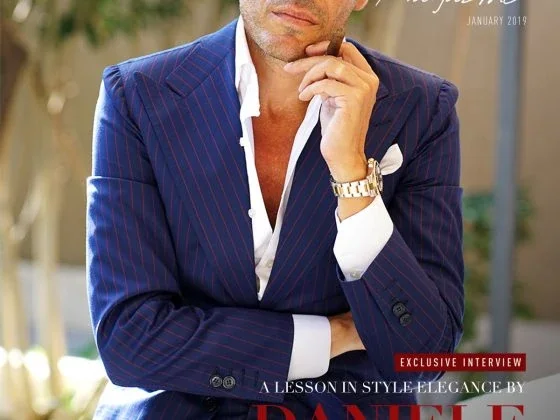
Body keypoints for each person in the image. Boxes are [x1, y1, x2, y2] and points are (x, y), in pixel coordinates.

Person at [86, 0, 464, 418]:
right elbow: (129, 341)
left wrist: (352, 173)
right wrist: (332, 336)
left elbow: (423, 353)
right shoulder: (137, 94)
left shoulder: (424, 110)